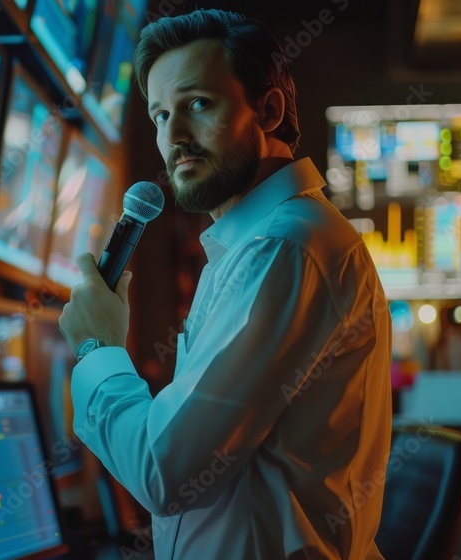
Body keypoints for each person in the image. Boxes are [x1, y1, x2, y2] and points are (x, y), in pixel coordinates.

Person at [58, 8, 392, 559]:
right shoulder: (254, 245)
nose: (175, 137)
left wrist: (99, 348)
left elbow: (165, 471)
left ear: (268, 109)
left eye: (197, 105)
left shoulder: (282, 249)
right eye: (161, 115)